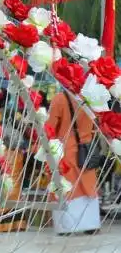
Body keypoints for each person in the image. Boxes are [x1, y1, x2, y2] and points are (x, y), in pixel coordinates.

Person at [47, 90, 101, 235]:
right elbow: (97, 124)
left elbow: (50, 127)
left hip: (65, 150)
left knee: (67, 187)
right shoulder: (89, 98)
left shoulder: (59, 99)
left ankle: (67, 226)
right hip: (87, 149)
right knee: (88, 185)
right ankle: (90, 224)